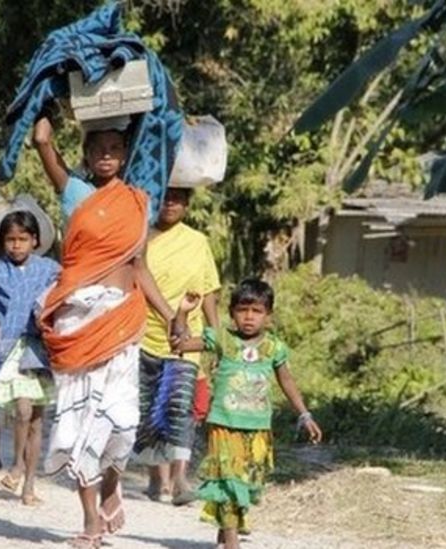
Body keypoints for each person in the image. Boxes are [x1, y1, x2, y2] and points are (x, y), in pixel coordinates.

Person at [32, 114, 175, 548]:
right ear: (87, 154)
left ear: (125, 154)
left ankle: (113, 485)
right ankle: (91, 521)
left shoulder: (138, 201)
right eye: (99, 148)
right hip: (79, 320)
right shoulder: (74, 192)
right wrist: (48, 83)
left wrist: (171, 317)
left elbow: (140, 268)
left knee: (122, 425)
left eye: (116, 148)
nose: (107, 155)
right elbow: (41, 139)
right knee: (81, 425)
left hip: (121, 321)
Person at [171, 279, 323, 549]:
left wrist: (305, 415)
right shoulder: (222, 340)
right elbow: (179, 344)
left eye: (257, 311)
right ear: (232, 313)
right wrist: (183, 312)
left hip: (257, 429)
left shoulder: (274, 348)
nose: (249, 317)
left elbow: (286, 381)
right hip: (224, 424)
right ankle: (232, 542)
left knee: (247, 483)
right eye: (243, 310)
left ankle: (225, 529)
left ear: (268, 316)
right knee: (228, 480)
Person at [134, 186, 221, 506]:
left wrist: (215, 334)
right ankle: (157, 477)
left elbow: (209, 289)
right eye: (165, 196)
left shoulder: (198, 242)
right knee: (149, 410)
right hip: (145, 334)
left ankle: (182, 478)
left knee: (180, 407)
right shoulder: (141, 239)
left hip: (187, 339)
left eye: (178, 197)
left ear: (187, 203)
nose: (170, 203)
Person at [0, 210, 60, 505]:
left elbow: (58, 297)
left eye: (22, 239)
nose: (16, 245)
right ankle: (15, 463)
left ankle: (29, 485)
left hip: (40, 350)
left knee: (38, 421)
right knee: (23, 411)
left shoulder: (51, 269)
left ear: (35, 240)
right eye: (10, 240)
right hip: (12, 347)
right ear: (2, 243)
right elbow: (7, 309)